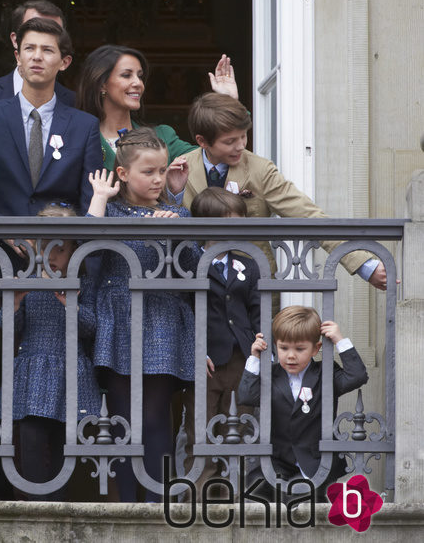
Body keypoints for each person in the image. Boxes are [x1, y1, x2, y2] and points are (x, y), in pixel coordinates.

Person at [85, 127, 199, 502]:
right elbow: (90, 257)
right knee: (121, 419)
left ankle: (158, 502)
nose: (157, 179)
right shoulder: (111, 212)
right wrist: (99, 201)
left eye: (162, 171)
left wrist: (177, 230)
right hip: (118, 321)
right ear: (122, 174)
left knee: (154, 417)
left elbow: (196, 269)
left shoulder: (176, 213)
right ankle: (127, 504)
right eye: (148, 171)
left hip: (163, 320)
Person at [182, 91, 388, 290]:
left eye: (243, 136)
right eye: (230, 141)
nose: (240, 146)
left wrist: (363, 263)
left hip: (251, 291)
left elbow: (306, 213)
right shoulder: (181, 169)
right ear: (202, 141)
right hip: (194, 286)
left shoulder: (260, 170)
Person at [0, 203, 101, 501]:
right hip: (31, 371)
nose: (54, 257)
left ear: (74, 252)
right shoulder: (26, 279)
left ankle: (56, 506)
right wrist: (14, 302)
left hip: (69, 370)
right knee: (30, 438)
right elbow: (7, 326)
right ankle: (34, 504)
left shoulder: (83, 284)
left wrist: (72, 305)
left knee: (62, 445)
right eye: (47, 248)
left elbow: (91, 327)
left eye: (62, 249)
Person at [237, 306, 368, 500]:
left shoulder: (325, 373)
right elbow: (247, 396)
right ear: (275, 346)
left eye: (299, 349)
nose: (291, 355)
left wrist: (340, 341)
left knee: (307, 506)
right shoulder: (271, 375)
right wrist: (254, 357)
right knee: (256, 498)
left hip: (317, 461)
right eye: (283, 348)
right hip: (278, 462)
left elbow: (357, 376)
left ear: (316, 348)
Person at [179, 187, 261, 491]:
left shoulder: (249, 265)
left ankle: (236, 486)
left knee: (240, 423)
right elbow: (185, 310)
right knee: (200, 424)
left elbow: (256, 309)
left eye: (240, 225)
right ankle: (200, 487)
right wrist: (193, 350)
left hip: (242, 356)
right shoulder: (189, 263)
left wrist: (258, 345)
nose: (235, 233)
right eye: (228, 225)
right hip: (205, 358)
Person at [0, 17, 103, 218]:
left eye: (47, 50)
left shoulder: (84, 125)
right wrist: (6, 233)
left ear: (64, 62)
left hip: (61, 243)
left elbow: (89, 197)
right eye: (29, 48)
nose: (37, 57)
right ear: (18, 57)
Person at [76, 45, 198, 172]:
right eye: (126, 75)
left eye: (139, 76)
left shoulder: (162, 136)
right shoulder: (79, 140)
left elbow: (209, 160)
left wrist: (221, 97)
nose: (138, 83)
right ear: (102, 84)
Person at [0, 0, 76, 106]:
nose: (37, 56)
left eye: (52, 31)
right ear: (15, 41)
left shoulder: (75, 102)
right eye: (32, 28)